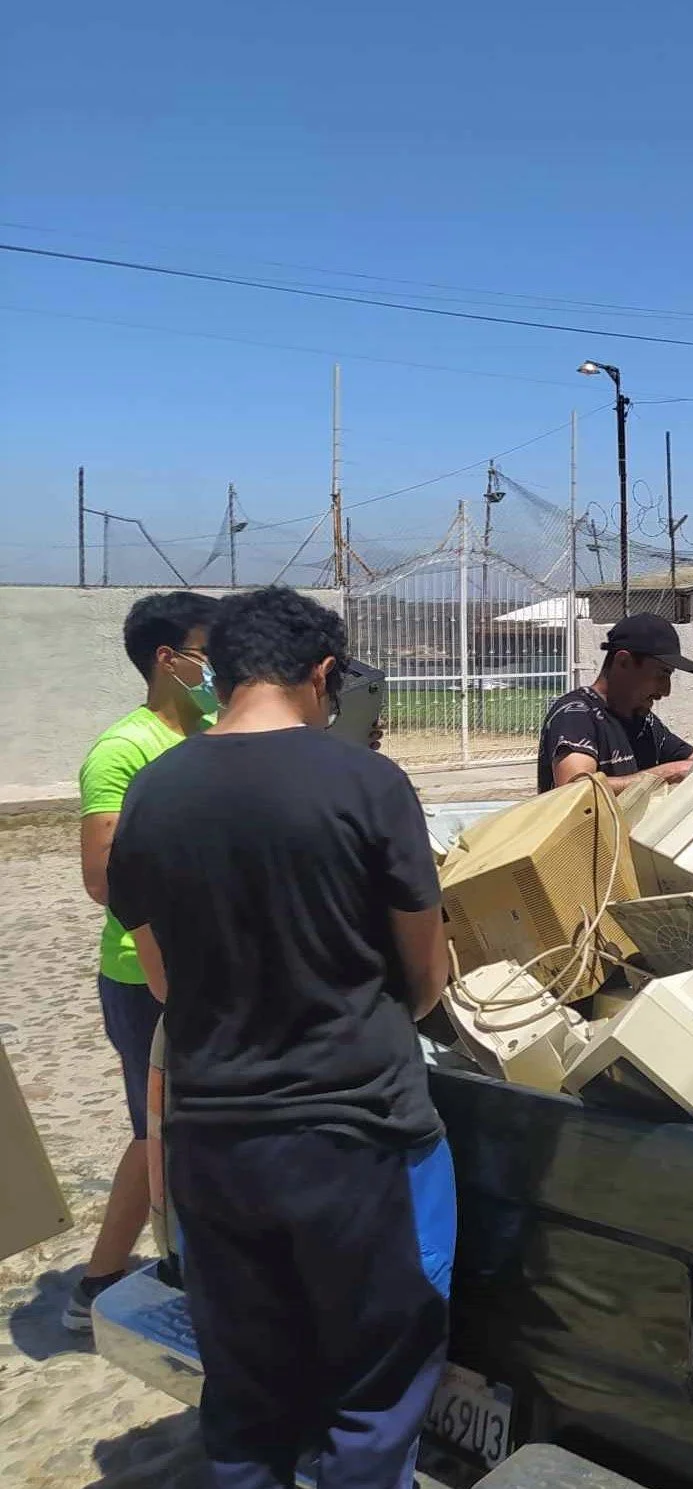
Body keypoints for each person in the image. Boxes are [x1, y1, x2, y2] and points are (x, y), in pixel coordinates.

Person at [105, 586, 453, 1489]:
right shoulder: (366, 782)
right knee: (374, 1392)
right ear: (322, 673)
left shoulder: (153, 789)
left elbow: (162, 981)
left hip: (213, 1142)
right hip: (358, 1135)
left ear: (216, 673)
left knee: (246, 1394)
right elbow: (426, 976)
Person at [64, 590, 222, 1332]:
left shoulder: (216, 731)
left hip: (209, 966)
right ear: (169, 659)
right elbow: (103, 877)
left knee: (186, 1130)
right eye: (209, 652)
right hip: (144, 974)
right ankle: (98, 1283)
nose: (220, 666)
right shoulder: (123, 748)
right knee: (155, 1131)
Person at [538, 612, 693, 793]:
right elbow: (574, 790)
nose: (666, 691)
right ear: (623, 662)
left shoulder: (644, 722)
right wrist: (669, 773)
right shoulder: (576, 715)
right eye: (661, 674)